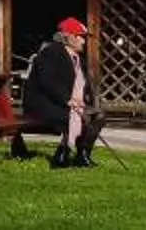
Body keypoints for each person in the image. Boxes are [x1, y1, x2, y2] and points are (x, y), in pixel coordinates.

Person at [20, 16, 103, 168]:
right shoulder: (51, 52)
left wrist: (82, 101)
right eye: (80, 37)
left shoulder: (78, 59)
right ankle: (62, 154)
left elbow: (82, 86)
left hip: (63, 103)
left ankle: (82, 155)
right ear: (69, 37)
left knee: (97, 116)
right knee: (72, 116)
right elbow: (47, 82)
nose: (84, 41)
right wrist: (67, 100)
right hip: (44, 104)